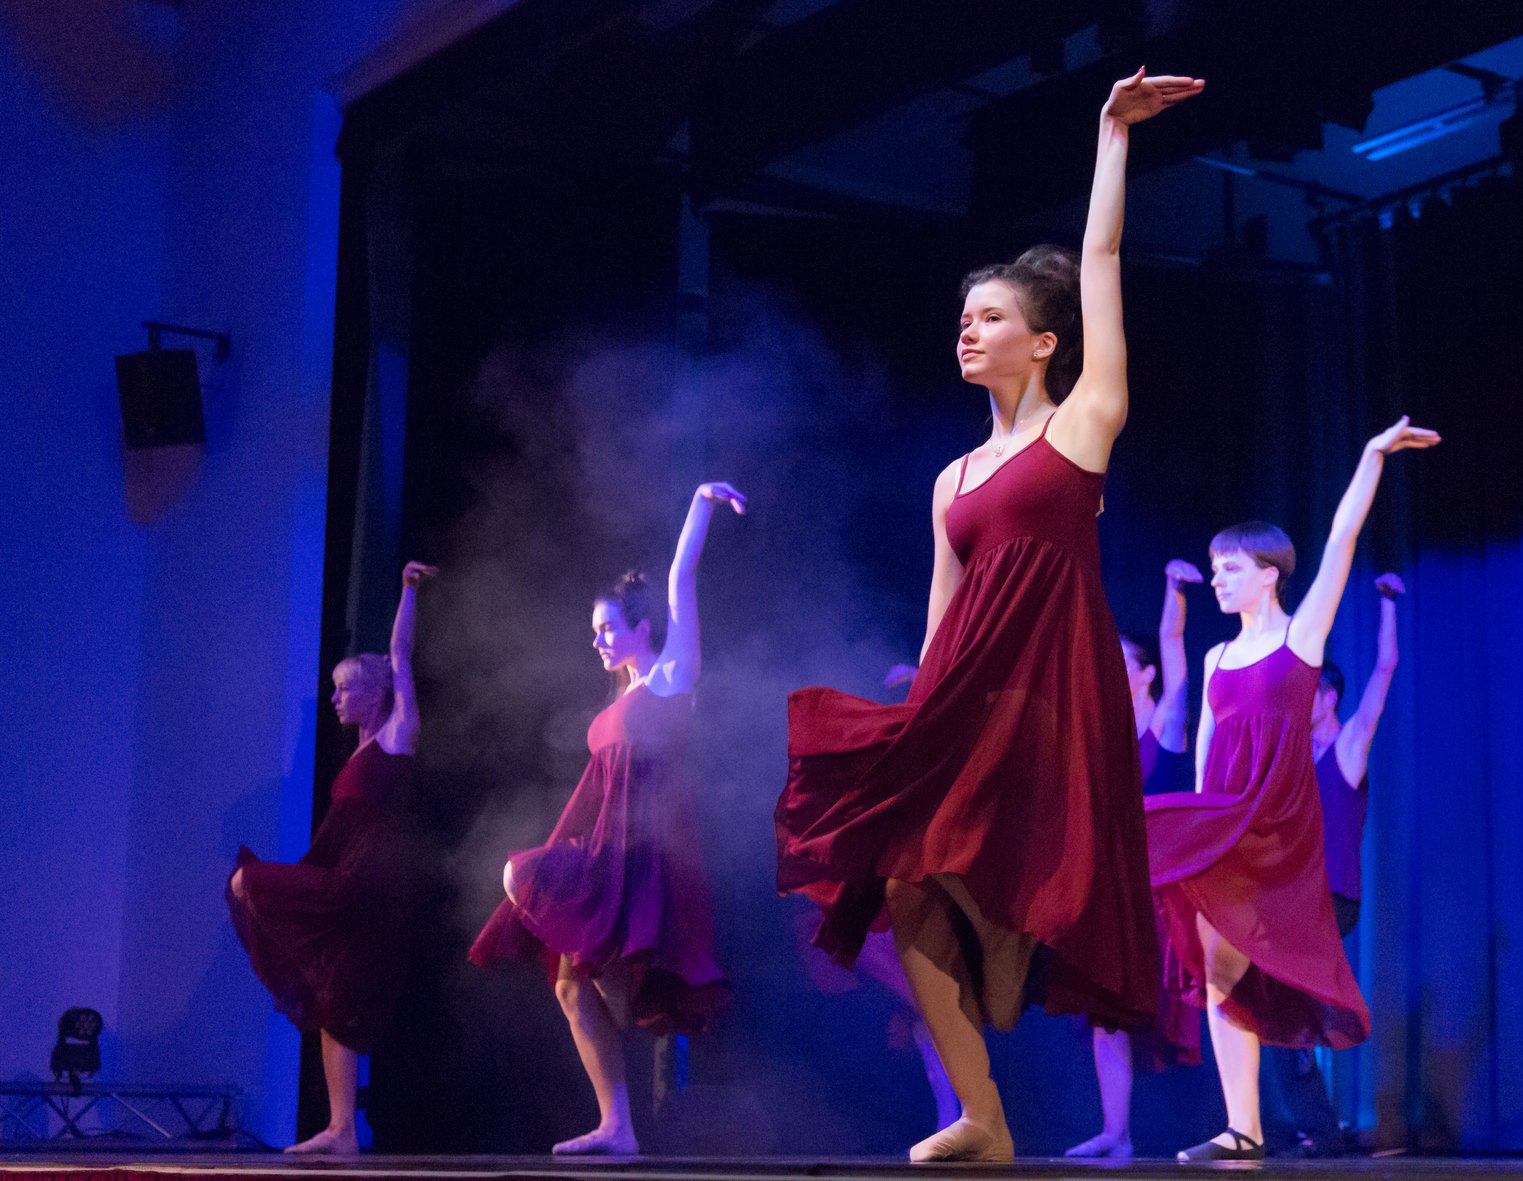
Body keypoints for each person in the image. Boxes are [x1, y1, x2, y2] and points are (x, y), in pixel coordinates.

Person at [776, 69, 1207, 1163]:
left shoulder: (1084, 423)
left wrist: (1111, 137)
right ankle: (984, 1115)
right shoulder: (952, 478)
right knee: (901, 875)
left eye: (991, 318)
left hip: (1052, 691)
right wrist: (915, 724)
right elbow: (941, 613)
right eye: (962, 319)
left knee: (1016, 885)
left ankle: (1011, 949)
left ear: (1044, 342)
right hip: (967, 695)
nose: (967, 332)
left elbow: (1100, 259)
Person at [1145, 416, 1439, 1161]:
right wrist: (1201, 831)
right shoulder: (1215, 658)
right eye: (1214, 569)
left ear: (1269, 573)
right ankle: (1242, 1125)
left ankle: (1276, 1121)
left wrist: (1371, 454)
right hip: (1225, 822)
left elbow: (1342, 537)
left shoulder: (1299, 639)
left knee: (1241, 963)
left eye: (1229, 568)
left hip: (1277, 824)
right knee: (1218, 965)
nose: (1217, 579)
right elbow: (1206, 751)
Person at [470, 484, 743, 1155]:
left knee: (574, 941)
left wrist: (700, 503)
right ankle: (616, 1126)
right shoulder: (619, 694)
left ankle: (641, 1012)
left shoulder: (672, 675)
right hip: (604, 849)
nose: (595, 639)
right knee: (568, 986)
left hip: (646, 855)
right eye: (594, 631)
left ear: (642, 628)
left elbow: (680, 578)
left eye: (606, 628)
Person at [228, 560, 436, 1155]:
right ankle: (342, 1128)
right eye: (334, 688)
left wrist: (408, 591)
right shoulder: (357, 754)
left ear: (377, 694)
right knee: (330, 995)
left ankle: (345, 1127)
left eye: (345, 688)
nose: (335, 698)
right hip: (348, 878)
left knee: (254, 887)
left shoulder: (398, 734)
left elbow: (400, 654)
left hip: (372, 885)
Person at [1068, 558, 1201, 1158]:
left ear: (1145, 674)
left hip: (1163, 889)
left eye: (1120, 661)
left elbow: (1173, 644)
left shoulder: (1166, 722)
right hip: (1112, 885)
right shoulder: (1101, 731)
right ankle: (1115, 1133)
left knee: (1173, 1009)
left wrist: (1173, 589)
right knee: (1106, 1009)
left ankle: (1229, 1126)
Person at [1267, 571, 1404, 1155]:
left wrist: (1387, 605)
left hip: (1332, 897)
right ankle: (1321, 1129)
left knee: (1287, 1005)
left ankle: (1314, 1027)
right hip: (1292, 899)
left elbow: (1385, 671)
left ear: (1328, 698)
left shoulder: (1348, 748)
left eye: (1309, 693)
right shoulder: (1291, 753)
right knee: (1272, 1010)